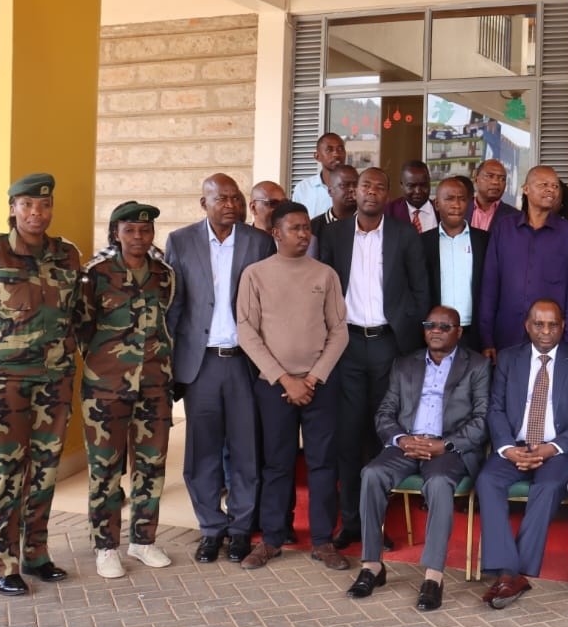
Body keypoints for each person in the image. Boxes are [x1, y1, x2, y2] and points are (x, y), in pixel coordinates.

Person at [0, 173, 82, 596]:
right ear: (13, 208)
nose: (36, 213)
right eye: (27, 205)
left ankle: (35, 553)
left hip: (54, 378)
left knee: (45, 469)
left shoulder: (67, 255)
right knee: (8, 469)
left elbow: (76, 313)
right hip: (4, 379)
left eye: (44, 205)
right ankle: (1, 561)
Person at [347, 306, 490, 611]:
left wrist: (444, 445)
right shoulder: (404, 364)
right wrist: (402, 439)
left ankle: (433, 577)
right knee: (371, 474)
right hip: (407, 444)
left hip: (448, 448)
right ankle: (372, 565)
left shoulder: (476, 365)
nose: (435, 331)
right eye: (430, 325)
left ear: (459, 332)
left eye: (444, 326)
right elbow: (385, 412)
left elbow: (482, 420)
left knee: (438, 482)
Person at [165, 174, 275, 565]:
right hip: (201, 363)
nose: (231, 205)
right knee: (202, 452)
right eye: (222, 199)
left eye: (236, 198)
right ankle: (211, 528)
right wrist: (171, 366)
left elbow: (269, 306)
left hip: (246, 361)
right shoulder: (180, 241)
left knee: (246, 450)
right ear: (204, 203)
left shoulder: (259, 242)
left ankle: (241, 529)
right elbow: (174, 307)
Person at [318, 167, 429, 549]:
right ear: (355, 191)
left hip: (388, 344)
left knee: (383, 436)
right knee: (348, 437)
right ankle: (350, 522)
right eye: (366, 186)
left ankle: (376, 525)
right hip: (346, 345)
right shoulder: (333, 234)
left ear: (387, 195)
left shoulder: (404, 234)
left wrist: (409, 339)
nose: (371, 192)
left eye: (380, 187)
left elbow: (420, 290)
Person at [236, 201, 350, 572]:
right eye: (295, 228)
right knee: (277, 463)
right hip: (275, 386)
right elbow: (246, 332)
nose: (304, 234)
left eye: (306, 228)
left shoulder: (325, 274)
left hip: (320, 385)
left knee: (323, 463)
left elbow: (339, 331)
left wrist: (312, 378)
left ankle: (323, 541)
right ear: (276, 233)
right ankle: (271, 539)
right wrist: (285, 378)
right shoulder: (255, 274)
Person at [77, 202, 177, 579]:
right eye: (130, 230)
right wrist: (106, 364)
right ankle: (105, 546)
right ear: (116, 232)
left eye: (145, 230)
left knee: (151, 465)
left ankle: (143, 540)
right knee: (105, 468)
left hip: (154, 384)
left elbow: (168, 321)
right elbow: (82, 327)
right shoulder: (96, 274)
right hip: (106, 388)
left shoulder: (164, 275)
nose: (139, 237)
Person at [477, 300, 568, 609]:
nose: (545, 331)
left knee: (548, 486)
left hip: (558, 449)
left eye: (553, 325)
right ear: (527, 326)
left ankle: (508, 574)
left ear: (563, 326)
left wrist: (553, 447)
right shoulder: (508, 358)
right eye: (539, 324)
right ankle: (513, 573)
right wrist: (507, 449)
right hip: (515, 445)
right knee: (487, 480)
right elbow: (495, 408)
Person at [480, 165, 568, 362]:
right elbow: (490, 285)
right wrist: (487, 338)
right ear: (526, 189)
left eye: (555, 186)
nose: (551, 190)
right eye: (543, 184)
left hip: (551, 337)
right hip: (506, 334)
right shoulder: (504, 228)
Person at [421, 178, 489, 352]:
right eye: (449, 199)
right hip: (436, 332)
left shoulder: (484, 240)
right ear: (437, 204)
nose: (456, 205)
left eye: (462, 199)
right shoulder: (422, 242)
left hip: (474, 332)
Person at [290, 133, 345, 216]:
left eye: (340, 149)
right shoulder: (303, 188)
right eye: (329, 150)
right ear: (317, 156)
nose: (336, 154)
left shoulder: (356, 186)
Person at [385, 159, 437, 233]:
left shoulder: (441, 211)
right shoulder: (388, 212)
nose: (418, 191)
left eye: (423, 185)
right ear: (402, 185)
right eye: (411, 186)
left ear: (429, 182)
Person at [310, 163, 358, 243]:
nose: (352, 189)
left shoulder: (368, 222)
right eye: (344, 185)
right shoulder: (315, 226)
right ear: (330, 191)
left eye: (356, 185)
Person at [469, 159, 519, 233]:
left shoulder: (516, 217)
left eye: (502, 179)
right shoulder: (459, 210)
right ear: (476, 179)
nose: (496, 182)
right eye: (490, 176)